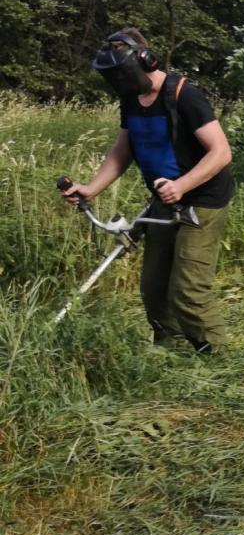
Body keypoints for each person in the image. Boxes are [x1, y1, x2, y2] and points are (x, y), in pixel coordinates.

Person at [62, 29, 234, 353]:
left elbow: (221, 153)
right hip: (164, 200)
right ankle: (175, 355)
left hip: (202, 200)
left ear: (144, 59)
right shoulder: (131, 99)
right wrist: (91, 189)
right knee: (154, 288)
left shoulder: (184, 94)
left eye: (123, 74)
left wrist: (182, 185)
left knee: (188, 292)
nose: (120, 84)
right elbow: (122, 150)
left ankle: (218, 363)